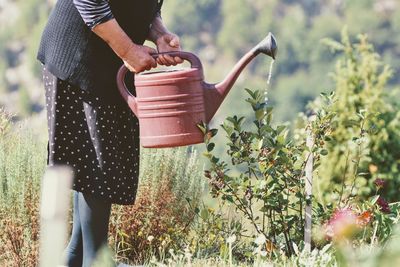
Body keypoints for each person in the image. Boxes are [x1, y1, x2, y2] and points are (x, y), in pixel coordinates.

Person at [37, 0, 183, 266]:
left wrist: (158, 32)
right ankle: (97, 260)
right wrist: (128, 50)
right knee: (97, 166)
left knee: (95, 165)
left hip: (105, 64)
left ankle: (78, 258)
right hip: (80, 59)